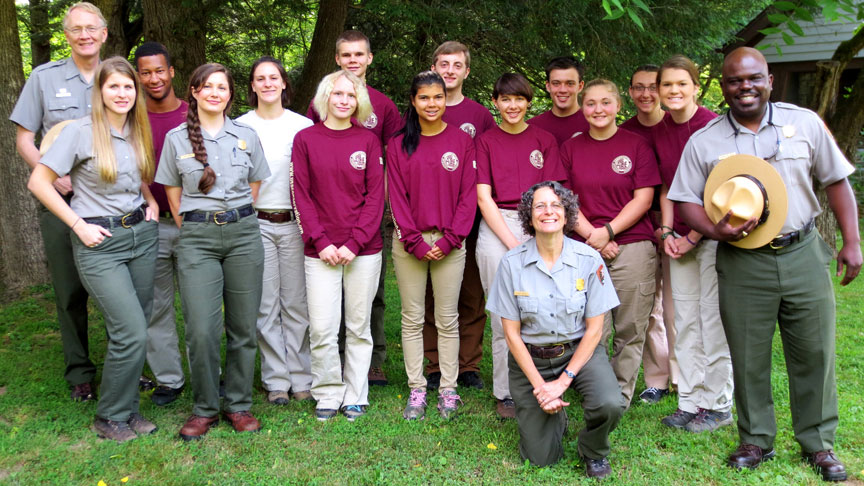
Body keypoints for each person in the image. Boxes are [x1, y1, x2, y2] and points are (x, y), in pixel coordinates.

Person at [668, 47, 861, 481]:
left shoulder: (804, 123)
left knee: (814, 352)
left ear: (770, 80)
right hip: (742, 262)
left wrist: (852, 242)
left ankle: (818, 444)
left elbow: (836, 181)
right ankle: (755, 439)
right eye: (735, 81)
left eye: (753, 78)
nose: (745, 87)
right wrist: (716, 231)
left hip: (803, 253)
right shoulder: (706, 140)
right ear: (724, 87)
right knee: (748, 354)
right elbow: (683, 199)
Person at [27, 57, 159, 442]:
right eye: (114, 86)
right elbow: (39, 181)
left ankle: (128, 410)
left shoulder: (137, 129)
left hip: (141, 237)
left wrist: (149, 200)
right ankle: (108, 417)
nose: (122, 93)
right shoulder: (80, 132)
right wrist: (77, 225)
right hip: (100, 244)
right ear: (99, 91)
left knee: (136, 329)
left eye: (128, 87)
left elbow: (137, 177)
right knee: (129, 329)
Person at [155, 63, 270, 440]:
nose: (215, 93)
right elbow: (173, 194)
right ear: (194, 91)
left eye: (222, 87)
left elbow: (254, 184)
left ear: (230, 94)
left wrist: (233, 217)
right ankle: (204, 407)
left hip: (243, 236)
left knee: (242, 326)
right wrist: (197, 226)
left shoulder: (246, 135)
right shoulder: (176, 139)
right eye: (207, 86)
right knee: (202, 329)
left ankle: (238, 405)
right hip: (197, 239)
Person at [486, 181, 624, 479]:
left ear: (567, 214)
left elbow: (595, 330)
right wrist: (540, 387)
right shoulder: (511, 264)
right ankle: (554, 417)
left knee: (610, 403)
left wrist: (562, 382)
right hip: (531, 361)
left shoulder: (589, 260)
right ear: (528, 215)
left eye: (556, 205)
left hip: (579, 354)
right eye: (540, 206)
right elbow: (511, 334)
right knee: (540, 458)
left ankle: (594, 449)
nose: (548, 211)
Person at [10, 1, 108, 402]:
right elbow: (23, 139)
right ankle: (80, 370)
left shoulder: (119, 75)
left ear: (104, 34)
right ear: (65, 36)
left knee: (123, 290)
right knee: (70, 292)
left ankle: (131, 363)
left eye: (91, 28)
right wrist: (55, 176)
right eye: (76, 29)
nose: (84, 35)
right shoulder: (44, 78)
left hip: (109, 203)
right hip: (62, 201)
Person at [306, 30, 400, 386]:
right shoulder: (322, 100)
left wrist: (384, 208)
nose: (353, 61)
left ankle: (373, 361)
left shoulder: (384, 106)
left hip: (369, 215)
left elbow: (394, 160)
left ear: (369, 59)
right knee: (327, 299)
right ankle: (335, 363)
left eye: (359, 55)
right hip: (327, 217)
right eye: (346, 55)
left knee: (370, 297)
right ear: (337, 59)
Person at [291, 70, 384, 422]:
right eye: (338, 94)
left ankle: (356, 394)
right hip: (321, 252)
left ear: (358, 101)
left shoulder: (369, 141)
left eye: (351, 95)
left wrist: (354, 243)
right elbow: (301, 194)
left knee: (358, 327)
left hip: (363, 249)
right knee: (323, 327)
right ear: (325, 97)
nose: (344, 101)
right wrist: (322, 241)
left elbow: (375, 197)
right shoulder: (305, 139)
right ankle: (328, 392)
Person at [562, 79, 659, 407]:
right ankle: (596, 390)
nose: (598, 110)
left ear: (619, 106)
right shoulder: (571, 148)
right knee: (593, 327)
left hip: (632, 246)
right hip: (584, 249)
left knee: (630, 326)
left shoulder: (636, 145)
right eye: (590, 103)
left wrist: (609, 232)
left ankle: (619, 395)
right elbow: (564, 199)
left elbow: (643, 198)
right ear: (582, 107)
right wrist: (594, 237)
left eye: (606, 103)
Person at [475, 73, 565, 418]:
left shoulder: (544, 140)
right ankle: (505, 392)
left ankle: (545, 383)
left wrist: (538, 234)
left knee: (541, 310)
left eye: (519, 99)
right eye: (505, 99)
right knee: (503, 316)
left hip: (540, 222)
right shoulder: (485, 141)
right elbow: (484, 197)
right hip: (499, 225)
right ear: (495, 103)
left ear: (529, 102)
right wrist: (514, 243)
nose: (512, 106)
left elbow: (553, 195)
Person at [388, 71, 477, 420]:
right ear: (413, 101)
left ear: (445, 99)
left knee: (447, 318)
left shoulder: (461, 141)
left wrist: (451, 239)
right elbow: (395, 196)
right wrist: (414, 241)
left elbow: (467, 195)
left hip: (450, 243)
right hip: (409, 242)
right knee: (411, 318)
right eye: (424, 97)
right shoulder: (397, 144)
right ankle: (416, 389)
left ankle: (449, 390)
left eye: (438, 97)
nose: (431, 104)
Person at [654, 55, 733, 433]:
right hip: (678, 240)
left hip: (713, 237)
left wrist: (692, 236)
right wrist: (668, 232)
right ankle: (689, 400)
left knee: (711, 319)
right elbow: (670, 184)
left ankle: (717, 404)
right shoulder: (662, 129)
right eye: (667, 85)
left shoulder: (714, 129)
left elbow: (720, 193)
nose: (674, 91)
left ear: (696, 87)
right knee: (683, 319)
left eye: (681, 84)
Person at [238, 57, 314, 406]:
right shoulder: (239, 127)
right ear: (252, 86)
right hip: (257, 223)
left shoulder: (302, 126)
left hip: (295, 224)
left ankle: (302, 376)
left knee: (297, 304)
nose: (267, 83)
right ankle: (276, 381)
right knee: (266, 305)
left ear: (284, 83)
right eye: (260, 79)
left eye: (274, 77)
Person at [424, 41, 496, 391]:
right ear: (434, 68)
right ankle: (435, 363)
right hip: (427, 219)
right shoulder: (421, 106)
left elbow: (484, 169)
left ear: (467, 71)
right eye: (443, 64)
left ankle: (468, 364)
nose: (449, 70)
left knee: (470, 296)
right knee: (429, 297)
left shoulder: (479, 116)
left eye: (457, 65)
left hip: (467, 220)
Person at [132, 41, 188, 406]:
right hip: (148, 224)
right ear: (138, 77)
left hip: (192, 224)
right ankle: (169, 378)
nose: (153, 79)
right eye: (145, 72)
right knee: (155, 307)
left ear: (171, 72)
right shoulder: (129, 117)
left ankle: (207, 374)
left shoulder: (193, 114)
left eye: (159, 71)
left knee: (202, 307)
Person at [620, 65, 678, 404]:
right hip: (638, 225)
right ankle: (656, 378)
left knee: (676, 305)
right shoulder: (625, 132)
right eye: (638, 87)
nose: (646, 94)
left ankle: (684, 377)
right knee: (651, 306)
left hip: (677, 225)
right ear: (630, 92)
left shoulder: (674, 126)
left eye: (652, 87)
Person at [527, 56, 589, 145]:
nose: (563, 90)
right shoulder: (532, 128)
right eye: (556, 83)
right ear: (548, 86)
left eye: (570, 83)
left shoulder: (593, 126)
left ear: (580, 86)